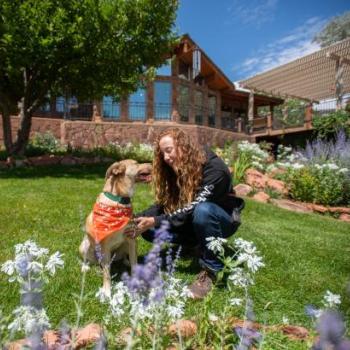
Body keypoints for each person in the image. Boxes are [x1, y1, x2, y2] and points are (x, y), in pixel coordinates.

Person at [128, 128, 244, 299]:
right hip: (193, 218)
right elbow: (165, 206)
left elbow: (192, 208)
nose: (166, 158)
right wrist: (134, 218)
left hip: (220, 219)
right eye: (163, 154)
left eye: (169, 150)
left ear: (184, 146)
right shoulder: (180, 169)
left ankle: (211, 271)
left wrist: (154, 220)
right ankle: (194, 245)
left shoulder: (215, 170)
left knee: (203, 210)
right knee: (148, 229)